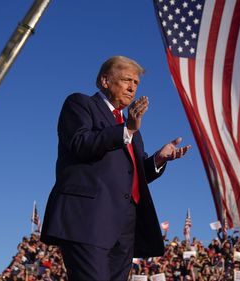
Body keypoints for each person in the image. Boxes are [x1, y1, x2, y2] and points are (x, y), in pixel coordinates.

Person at [41, 55, 191, 281]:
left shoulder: (132, 130)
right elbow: (80, 143)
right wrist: (127, 129)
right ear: (105, 81)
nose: (132, 88)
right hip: (87, 220)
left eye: (136, 83)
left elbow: (134, 174)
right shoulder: (80, 104)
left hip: (124, 227)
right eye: (126, 80)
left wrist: (158, 160)